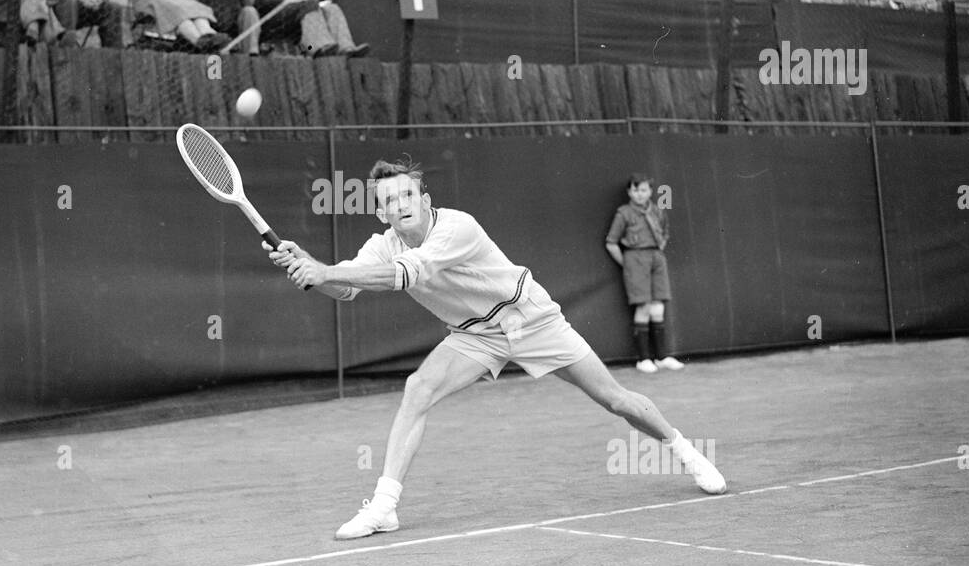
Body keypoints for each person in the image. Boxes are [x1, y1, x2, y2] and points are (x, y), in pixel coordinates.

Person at [265, 158, 727, 540]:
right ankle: (385, 507)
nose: (399, 204)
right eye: (389, 200)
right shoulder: (381, 246)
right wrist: (310, 269)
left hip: (527, 314)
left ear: (424, 201)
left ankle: (686, 451)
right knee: (417, 388)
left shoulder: (456, 227)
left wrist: (324, 272)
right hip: (473, 335)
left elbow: (406, 274)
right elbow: (346, 288)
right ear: (381, 213)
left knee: (614, 400)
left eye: (407, 195)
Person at [605, 174, 683, 375]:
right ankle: (644, 359)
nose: (639, 194)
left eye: (643, 190)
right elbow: (611, 242)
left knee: (658, 306)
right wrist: (629, 264)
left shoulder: (657, 211)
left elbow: (664, 231)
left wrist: (659, 248)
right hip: (635, 258)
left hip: (656, 257)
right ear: (629, 192)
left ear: (650, 191)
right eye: (635, 190)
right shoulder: (624, 213)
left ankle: (662, 357)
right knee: (644, 306)